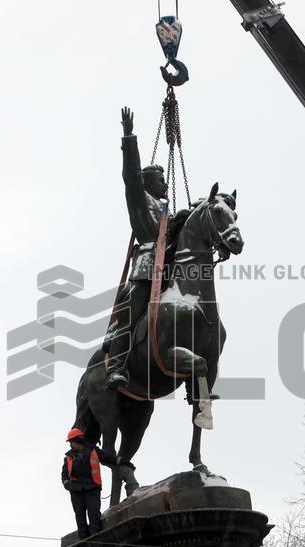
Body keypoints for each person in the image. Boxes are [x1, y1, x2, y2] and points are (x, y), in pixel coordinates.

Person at [104, 106, 180, 390]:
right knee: (133, 310)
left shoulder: (166, 213)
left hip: (170, 269)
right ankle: (118, 367)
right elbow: (131, 173)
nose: (165, 184)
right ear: (148, 182)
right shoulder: (139, 199)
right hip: (147, 269)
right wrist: (128, 136)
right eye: (160, 180)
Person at [61, 428, 116, 538]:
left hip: (92, 488)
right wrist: (68, 485)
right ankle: (83, 539)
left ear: (79, 440)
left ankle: (95, 537)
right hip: (76, 491)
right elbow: (64, 475)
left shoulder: (93, 451)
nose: (70, 445)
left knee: (94, 514)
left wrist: (122, 461)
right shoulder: (68, 457)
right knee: (80, 516)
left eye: (72, 442)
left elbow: (107, 457)